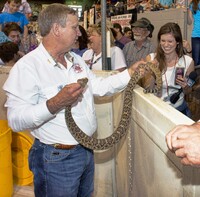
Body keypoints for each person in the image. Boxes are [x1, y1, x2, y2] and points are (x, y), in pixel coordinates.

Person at [3, 4, 145, 197]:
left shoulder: (76, 61)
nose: (79, 33)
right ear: (56, 29)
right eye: (74, 27)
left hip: (85, 151)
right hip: (56, 159)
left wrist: (130, 73)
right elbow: (15, 119)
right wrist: (56, 102)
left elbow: (99, 87)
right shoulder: (27, 67)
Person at [145, 22, 195, 117]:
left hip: (179, 111)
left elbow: (189, 92)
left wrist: (185, 87)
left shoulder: (188, 62)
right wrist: (152, 72)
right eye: (163, 41)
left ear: (178, 42)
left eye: (170, 41)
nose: (166, 44)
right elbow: (148, 89)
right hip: (156, 111)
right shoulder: (151, 59)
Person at [187, 0, 200, 66]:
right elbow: (189, 22)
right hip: (196, 35)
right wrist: (188, 11)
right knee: (196, 61)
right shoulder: (193, 3)